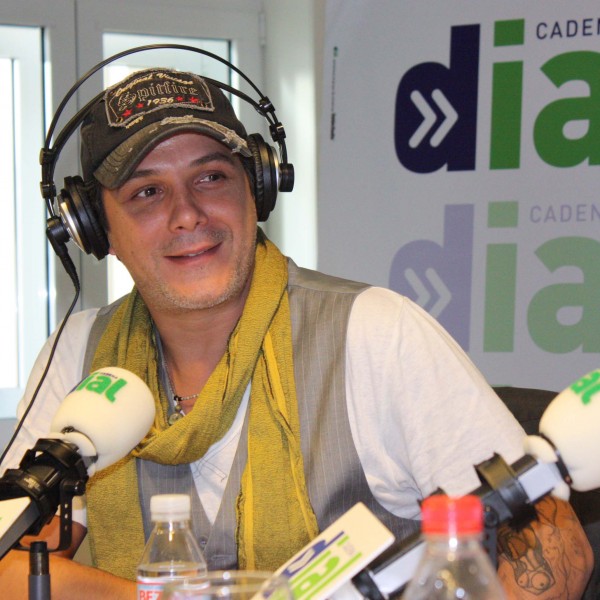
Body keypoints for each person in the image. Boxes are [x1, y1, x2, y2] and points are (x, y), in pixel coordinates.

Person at [0, 65, 593, 599]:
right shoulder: (78, 357)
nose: (187, 215)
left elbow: (552, 546)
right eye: (147, 192)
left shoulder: (375, 335)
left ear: (256, 189)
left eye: (211, 177)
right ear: (93, 227)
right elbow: (12, 565)